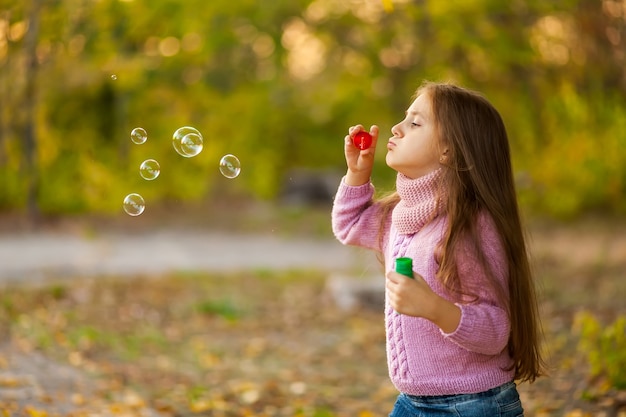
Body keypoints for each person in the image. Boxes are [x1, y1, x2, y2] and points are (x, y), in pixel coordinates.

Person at [331, 81, 545, 416]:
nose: (396, 129)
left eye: (415, 123)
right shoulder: (400, 214)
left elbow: (495, 330)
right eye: (404, 119)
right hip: (413, 402)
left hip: (472, 404)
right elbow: (350, 226)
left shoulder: (468, 226)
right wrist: (357, 175)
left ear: (449, 150)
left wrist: (434, 307)